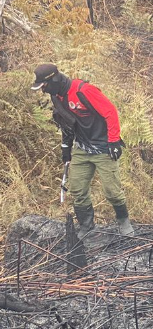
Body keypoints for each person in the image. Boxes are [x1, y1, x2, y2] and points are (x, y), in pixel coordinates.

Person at [32, 63, 134, 237]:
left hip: (104, 148)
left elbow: (110, 111)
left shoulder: (83, 91)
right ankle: (87, 226)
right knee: (77, 189)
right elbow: (66, 124)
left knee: (112, 191)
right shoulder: (56, 97)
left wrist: (114, 142)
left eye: (44, 86)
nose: (43, 91)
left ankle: (124, 222)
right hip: (82, 147)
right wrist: (66, 148)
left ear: (54, 79)